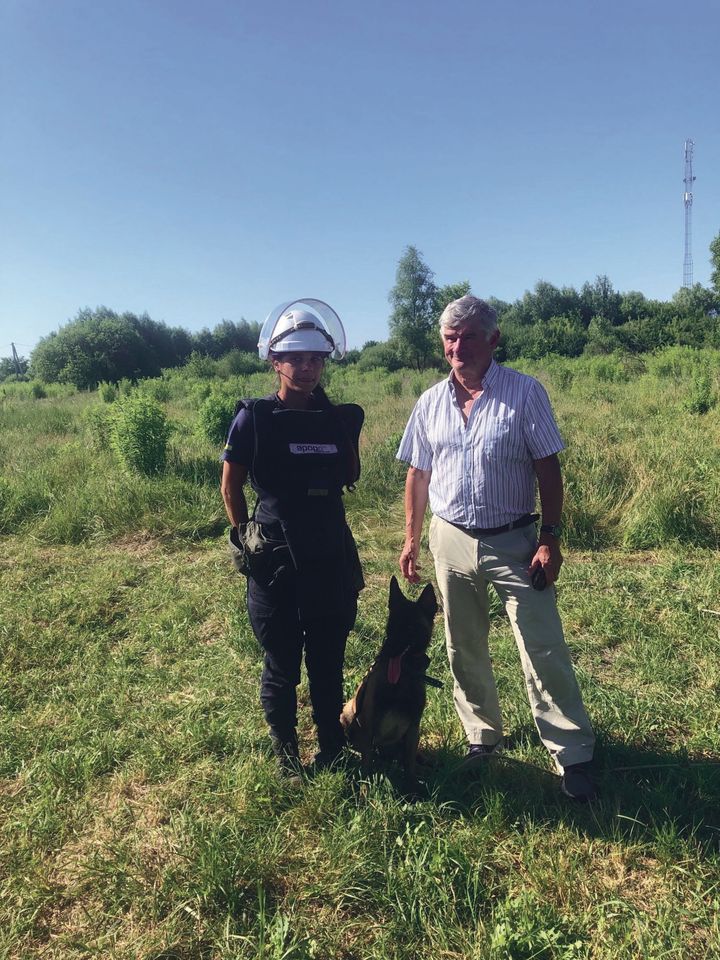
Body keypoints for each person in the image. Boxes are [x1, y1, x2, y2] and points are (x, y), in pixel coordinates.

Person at [396, 295, 597, 802]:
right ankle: (481, 737)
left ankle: (571, 752)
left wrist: (550, 537)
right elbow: (418, 473)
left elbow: (547, 468)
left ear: (493, 339)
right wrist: (412, 538)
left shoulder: (525, 394)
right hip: (451, 538)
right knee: (463, 644)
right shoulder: (429, 402)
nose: (456, 346)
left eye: (466, 336)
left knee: (542, 644)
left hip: (515, 540)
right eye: (448, 337)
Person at [220, 299, 364, 781]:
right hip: (278, 553)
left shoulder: (337, 419)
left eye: (315, 359)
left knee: (327, 658)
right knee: (282, 660)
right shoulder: (254, 417)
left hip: (328, 548)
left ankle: (331, 744)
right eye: (296, 358)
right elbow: (230, 484)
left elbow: (349, 475)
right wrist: (245, 541)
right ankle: (285, 755)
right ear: (275, 361)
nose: (307, 368)